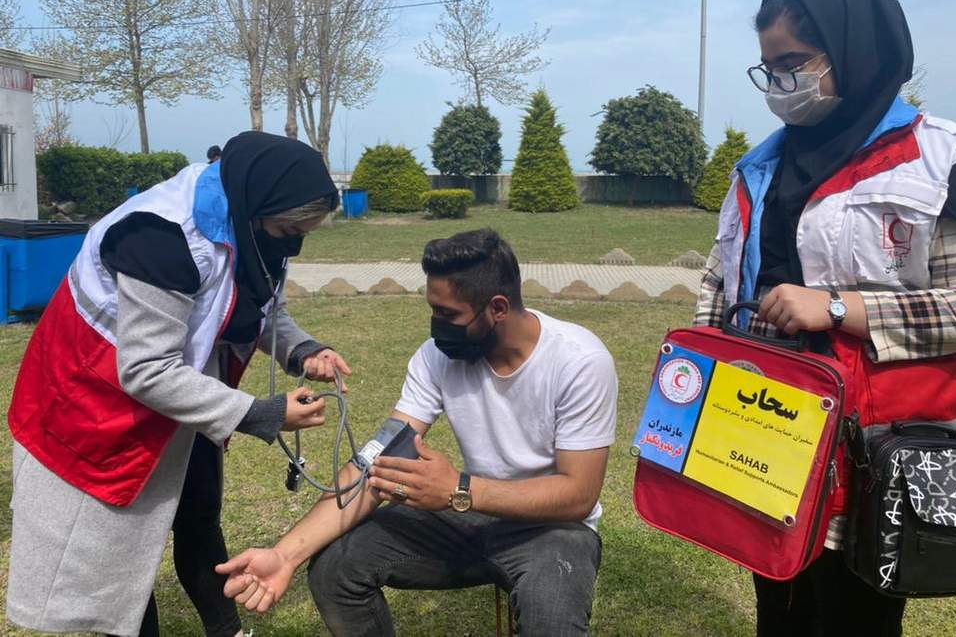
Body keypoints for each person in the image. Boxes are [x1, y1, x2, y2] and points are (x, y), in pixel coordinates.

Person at [695, 0, 956, 636]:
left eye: (794, 63)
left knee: (858, 615)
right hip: (767, 433)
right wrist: (694, 376)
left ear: (852, 49)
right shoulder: (758, 169)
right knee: (780, 605)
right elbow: (722, 283)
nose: (780, 83)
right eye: (769, 68)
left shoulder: (945, 160)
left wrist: (837, 308)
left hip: (878, 448)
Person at [7, 132, 353, 637]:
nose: (292, 243)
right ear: (259, 207)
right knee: (118, 552)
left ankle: (227, 630)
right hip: (98, 403)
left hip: (181, 395)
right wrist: (263, 413)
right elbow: (146, 369)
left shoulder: (249, 220)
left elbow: (260, 308)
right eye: (288, 230)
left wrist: (303, 349)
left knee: (198, 514)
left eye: (303, 233)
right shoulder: (162, 236)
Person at [216, 229, 619, 636]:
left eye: (448, 315)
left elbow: (578, 495)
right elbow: (377, 461)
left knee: (551, 618)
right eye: (433, 310)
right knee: (335, 566)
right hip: (470, 516)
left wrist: (459, 490)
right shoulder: (436, 358)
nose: (436, 327)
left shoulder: (579, 361)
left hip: (553, 528)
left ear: (497, 307)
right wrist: (284, 555)